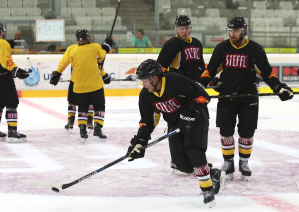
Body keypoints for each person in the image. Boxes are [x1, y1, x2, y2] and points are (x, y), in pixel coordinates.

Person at [197, 17, 294, 181]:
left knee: (246, 132)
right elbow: (210, 71)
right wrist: (198, 86)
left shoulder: (255, 49)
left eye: (236, 31)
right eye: (230, 31)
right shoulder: (222, 48)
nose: (232, 34)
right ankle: (228, 163)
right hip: (226, 96)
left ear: (244, 31)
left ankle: (243, 163)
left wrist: (278, 87)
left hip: (248, 97)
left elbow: (266, 72)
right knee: (226, 132)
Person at [126, 59, 223, 208]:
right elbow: (147, 121)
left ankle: (207, 190)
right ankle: (212, 172)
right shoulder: (146, 96)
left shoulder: (176, 81)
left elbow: (203, 96)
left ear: (155, 78)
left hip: (195, 119)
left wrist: (189, 113)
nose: (143, 85)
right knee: (182, 165)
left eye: (145, 81)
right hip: (175, 124)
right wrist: (140, 141)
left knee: (194, 152)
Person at [157, 15, 207, 175]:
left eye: (186, 28)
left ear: (190, 28)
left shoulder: (197, 43)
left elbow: (200, 66)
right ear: (176, 29)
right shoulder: (172, 44)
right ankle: (176, 159)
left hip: (193, 91)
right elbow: (161, 67)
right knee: (177, 122)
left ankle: (191, 156)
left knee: (193, 120)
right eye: (181, 28)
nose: (184, 31)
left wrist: (203, 81)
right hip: (178, 91)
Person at [50, 29, 112, 142]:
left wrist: (57, 73)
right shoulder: (95, 47)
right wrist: (106, 46)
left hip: (77, 85)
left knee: (82, 107)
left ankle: (82, 129)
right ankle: (97, 129)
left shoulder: (72, 50)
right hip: (94, 85)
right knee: (99, 106)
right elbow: (101, 58)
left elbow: (63, 63)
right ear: (87, 37)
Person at [0, 22, 30, 143]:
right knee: (12, 103)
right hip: (3, 76)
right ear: (1, 31)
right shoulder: (3, 43)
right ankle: (12, 131)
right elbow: (5, 61)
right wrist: (16, 71)